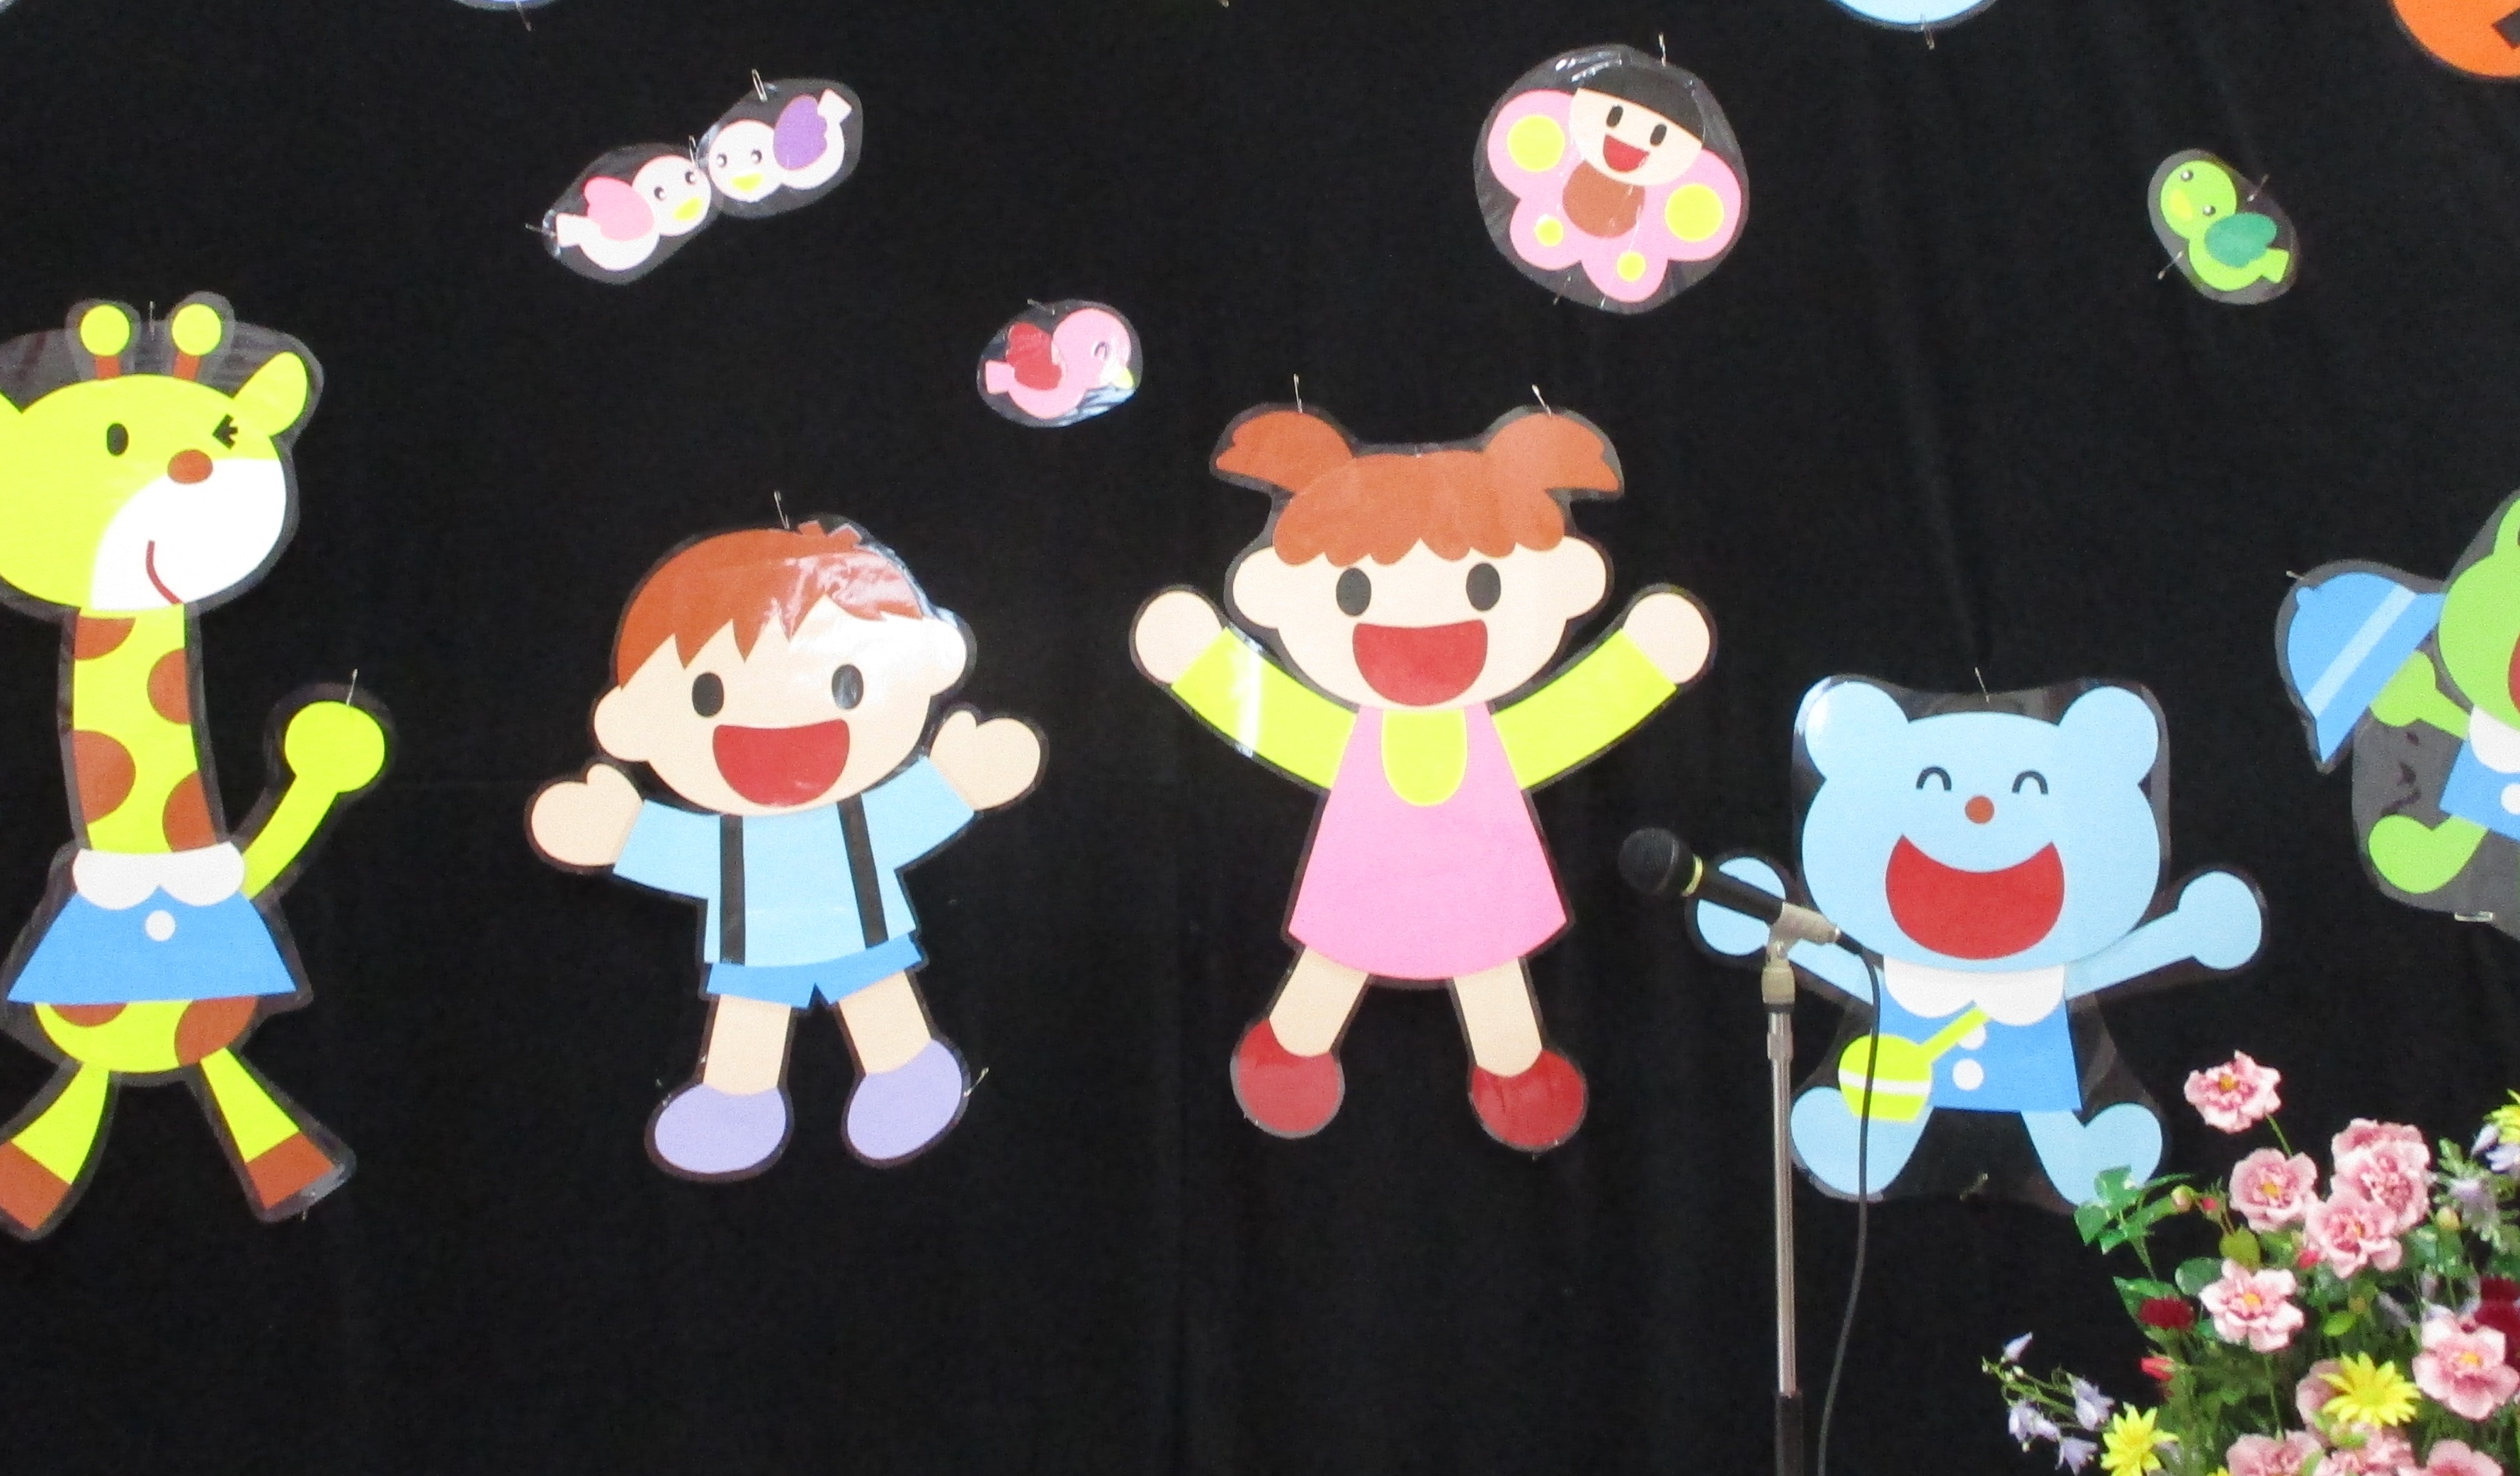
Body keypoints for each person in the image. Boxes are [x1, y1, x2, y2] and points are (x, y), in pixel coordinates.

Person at [1133, 404, 1711, 1151]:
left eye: (1482, 587)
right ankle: (1293, 1051)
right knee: (1344, 950)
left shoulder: (1488, 739)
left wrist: (1641, 663)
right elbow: (1274, 718)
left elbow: (1569, 718)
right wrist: (1201, 662)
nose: (1419, 629)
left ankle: (1512, 1072)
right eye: (1353, 593)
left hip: (1478, 866)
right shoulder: (1356, 739)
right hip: (1367, 869)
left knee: (1485, 954)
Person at [530, 520, 1042, 1179]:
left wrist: (959, 780)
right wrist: (617, 833)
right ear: (634, 718)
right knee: (749, 1019)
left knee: (880, 1005)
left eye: (846, 685)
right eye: (708, 695)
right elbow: (669, 846)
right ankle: (737, 1103)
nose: (780, 730)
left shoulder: (855, 822)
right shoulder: (728, 840)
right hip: (758, 944)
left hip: (858, 931)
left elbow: (923, 808)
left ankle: (905, 1076)